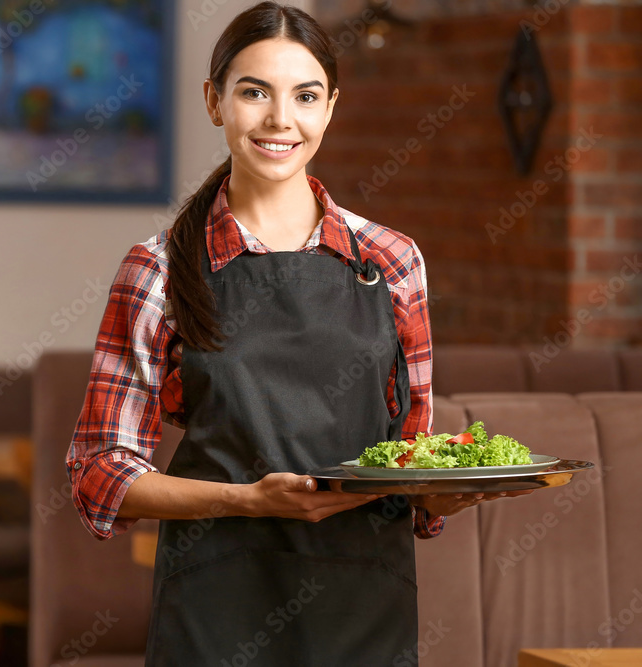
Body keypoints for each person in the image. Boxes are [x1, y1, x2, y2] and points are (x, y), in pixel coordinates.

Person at [65, 3, 527, 664]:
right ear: (214, 101)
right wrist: (246, 501)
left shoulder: (394, 261)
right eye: (254, 92)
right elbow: (100, 471)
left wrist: (461, 485)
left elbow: (411, 455)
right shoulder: (157, 269)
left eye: (305, 96)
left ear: (331, 107)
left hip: (365, 604)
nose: (281, 119)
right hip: (217, 607)